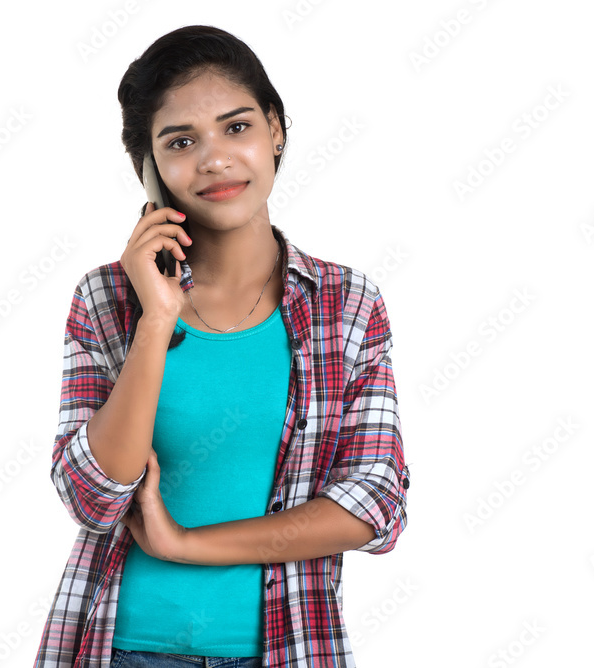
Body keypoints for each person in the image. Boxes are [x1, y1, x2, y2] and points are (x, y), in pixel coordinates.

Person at [33, 24, 409, 668]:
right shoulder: (106, 298)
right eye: (181, 142)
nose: (213, 159)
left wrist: (186, 543)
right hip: (122, 648)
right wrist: (156, 319)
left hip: (287, 648)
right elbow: (92, 497)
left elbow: (376, 501)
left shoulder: (347, 303)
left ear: (276, 129)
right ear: (147, 169)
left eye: (237, 128)